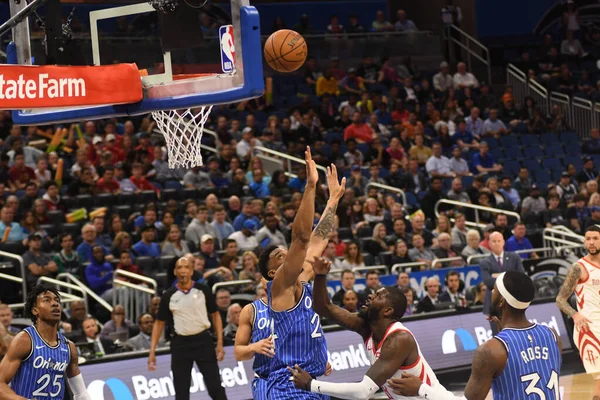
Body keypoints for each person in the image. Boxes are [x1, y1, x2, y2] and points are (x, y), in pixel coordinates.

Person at [389, 271, 561, 400]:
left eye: (494, 290)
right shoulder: (552, 336)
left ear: (501, 302)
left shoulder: (490, 351)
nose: (490, 292)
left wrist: (420, 389)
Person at [258, 149, 346, 400]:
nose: (288, 254)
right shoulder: (280, 285)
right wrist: (310, 186)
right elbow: (301, 238)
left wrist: (333, 200)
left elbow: (318, 238)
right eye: (280, 256)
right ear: (273, 271)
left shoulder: (303, 279)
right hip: (289, 385)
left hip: (313, 383)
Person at [288, 257, 440, 399]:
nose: (370, 297)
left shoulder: (399, 339)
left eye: (378, 296)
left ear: (388, 311)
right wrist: (320, 276)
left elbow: (363, 392)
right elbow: (323, 308)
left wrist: (310, 384)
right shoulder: (367, 326)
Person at [148, 257, 227, 400]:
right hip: (180, 345)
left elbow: (215, 315)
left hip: (203, 341)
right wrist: (152, 351)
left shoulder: (203, 290)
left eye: (186, 267)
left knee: (215, 388)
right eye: (179, 267)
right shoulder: (168, 295)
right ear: (175, 271)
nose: (183, 270)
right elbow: (159, 323)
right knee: (181, 392)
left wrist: (220, 342)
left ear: (191, 271)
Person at [0, 283, 93, 399]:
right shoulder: (25, 340)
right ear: (35, 310)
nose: (54, 304)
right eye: (47, 300)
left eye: (57, 300)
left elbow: (81, 393)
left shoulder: (69, 347)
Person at [556, 224, 600, 398]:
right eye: (588, 238)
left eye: (595, 238)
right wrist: (575, 314)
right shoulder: (578, 267)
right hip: (589, 328)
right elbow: (560, 299)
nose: (591, 242)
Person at [234, 281, 275, 399]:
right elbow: (238, 353)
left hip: (293, 377)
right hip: (266, 378)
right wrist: (253, 347)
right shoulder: (250, 310)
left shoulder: (296, 305)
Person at [479, 232, 525, 317]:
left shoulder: (514, 257)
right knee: (496, 330)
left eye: (499, 241)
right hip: (493, 304)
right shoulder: (484, 262)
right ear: (489, 243)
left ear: (503, 242)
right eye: (494, 241)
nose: (497, 243)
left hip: (512, 301)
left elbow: (521, 277)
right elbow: (488, 282)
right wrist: (510, 276)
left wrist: (499, 276)